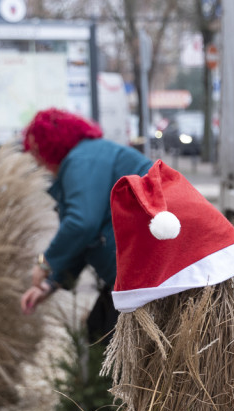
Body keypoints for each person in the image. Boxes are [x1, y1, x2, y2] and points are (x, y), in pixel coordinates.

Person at [19, 108, 154, 342]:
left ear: (49, 146)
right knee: (98, 329)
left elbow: (82, 223)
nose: (37, 161)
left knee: (106, 336)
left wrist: (45, 263)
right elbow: (85, 237)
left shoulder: (82, 160)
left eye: (36, 152)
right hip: (141, 268)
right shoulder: (89, 157)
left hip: (147, 269)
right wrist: (49, 285)